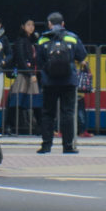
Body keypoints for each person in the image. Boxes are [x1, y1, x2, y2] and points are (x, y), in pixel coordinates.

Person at [37, 11, 87, 154]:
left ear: (49, 24)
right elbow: (82, 55)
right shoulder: (72, 38)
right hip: (68, 81)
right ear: (63, 24)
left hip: (49, 81)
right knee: (68, 113)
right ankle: (67, 146)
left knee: (48, 114)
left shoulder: (43, 39)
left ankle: (46, 145)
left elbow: (39, 61)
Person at [10, 18, 40, 137]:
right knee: (17, 100)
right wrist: (31, 73)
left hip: (30, 74)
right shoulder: (21, 41)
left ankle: (38, 126)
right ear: (23, 26)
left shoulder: (31, 41)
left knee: (34, 100)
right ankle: (11, 125)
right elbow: (21, 59)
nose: (31, 27)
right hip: (24, 75)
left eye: (33, 25)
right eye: (28, 25)